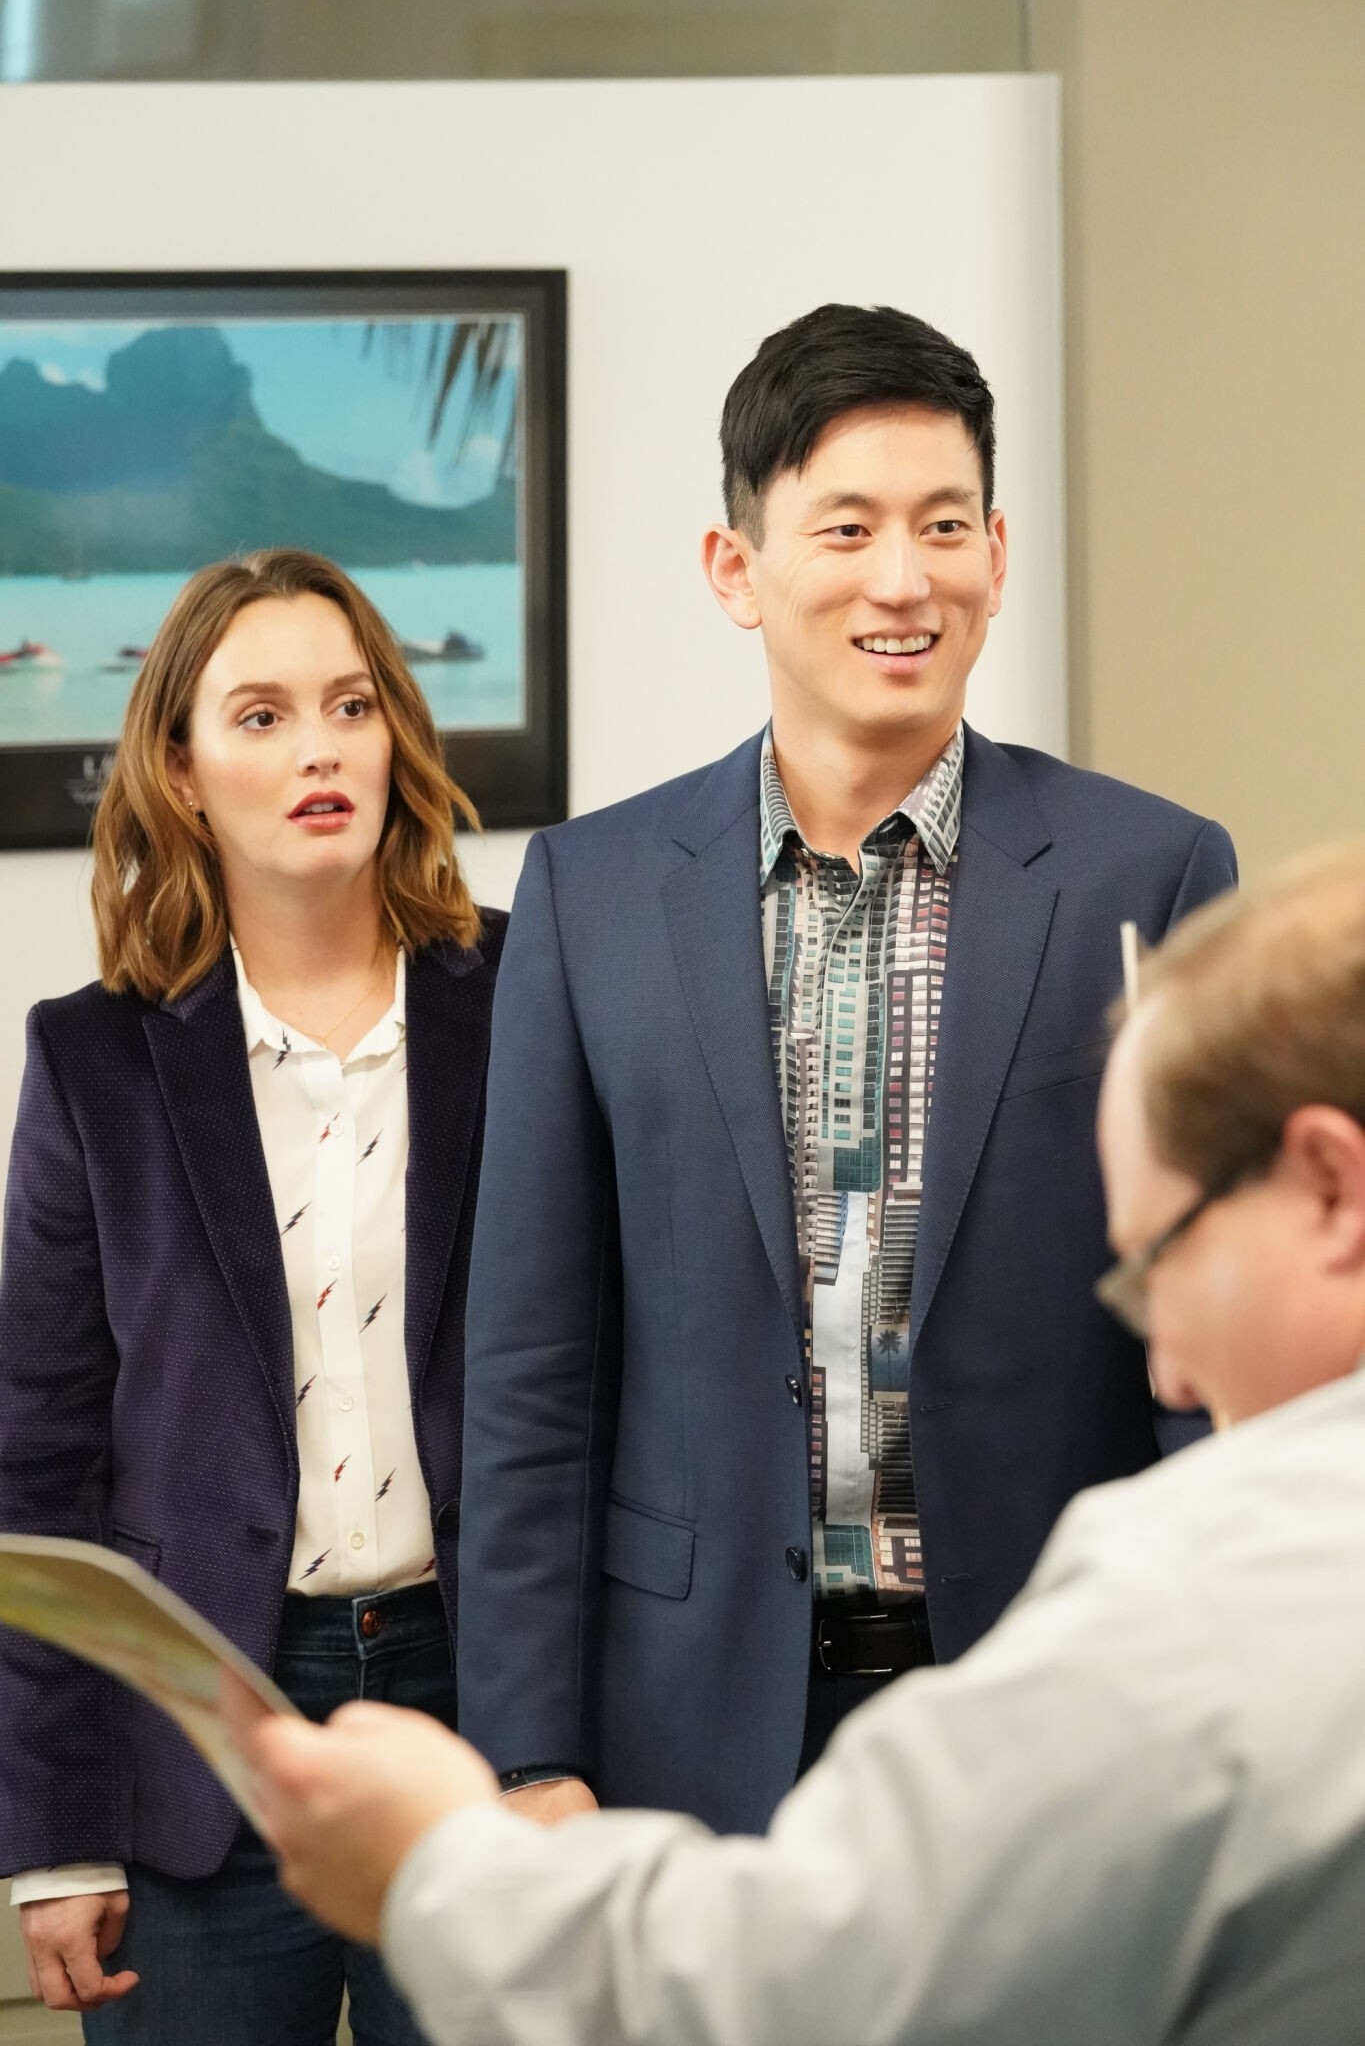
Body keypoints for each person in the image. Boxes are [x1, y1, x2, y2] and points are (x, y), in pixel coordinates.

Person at [248, 834, 1365, 2046]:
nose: (1172, 1366)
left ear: (1328, 1186)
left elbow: (798, 1980)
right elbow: (538, 1368)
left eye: (1157, 1261)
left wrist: (435, 1866)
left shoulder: (1214, 1595)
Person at [456, 302, 1237, 1834]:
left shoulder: (1148, 874)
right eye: (847, 528)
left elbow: (1215, 1340)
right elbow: (533, 1369)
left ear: (996, 554)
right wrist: (528, 1753)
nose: (903, 579)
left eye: (944, 525)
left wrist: (1223, 1703)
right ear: (734, 568)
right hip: (692, 1712)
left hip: (1061, 1701)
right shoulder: (592, 893)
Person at [0, 548, 506, 2044]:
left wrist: (569, 1741)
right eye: (263, 715)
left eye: (351, 706)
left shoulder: (526, 1000)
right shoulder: (93, 1060)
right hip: (194, 1736)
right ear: (181, 767)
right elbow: (38, 1460)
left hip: (478, 1702)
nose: (319, 750)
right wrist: (57, 1834)